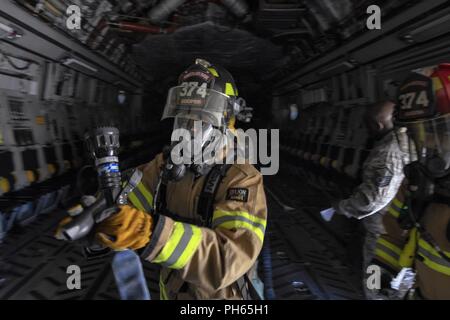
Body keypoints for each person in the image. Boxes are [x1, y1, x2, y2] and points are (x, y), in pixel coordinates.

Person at [59, 58, 267, 300]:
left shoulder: (242, 179)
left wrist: (148, 233)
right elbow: (124, 204)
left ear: (227, 120)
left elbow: (225, 262)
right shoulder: (165, 165)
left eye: (200, 118)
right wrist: (98, 221)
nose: (190, 127)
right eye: (185, 116)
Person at [370, 64, 450, 299]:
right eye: (420, 133)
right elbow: (393, 233)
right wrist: (378, 272)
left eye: (439, 131)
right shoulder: (417, 184)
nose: (429, 144)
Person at [332, 101, 409, 294]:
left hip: (381, 234)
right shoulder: (405, 140)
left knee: (376, 284)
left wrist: (341, 206)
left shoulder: (387, 152)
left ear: (378, 125)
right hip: (400, 228)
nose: (366, 131)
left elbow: (372, 200)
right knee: (396, 284)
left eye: (368, 126)